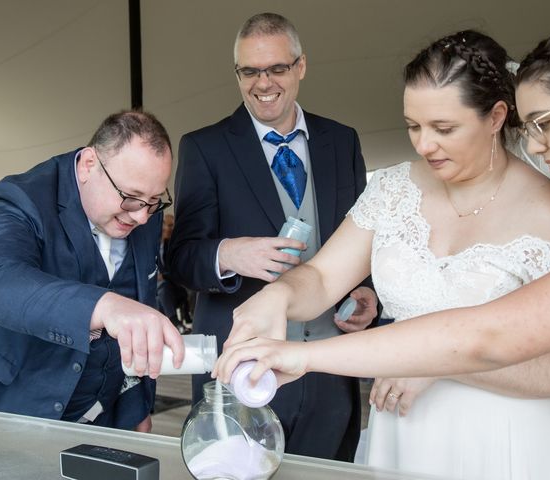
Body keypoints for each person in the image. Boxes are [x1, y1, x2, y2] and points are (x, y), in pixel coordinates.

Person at [215, 29, 550, 480]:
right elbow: (323, 279)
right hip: (404, 433)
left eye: (444, 129)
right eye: (413, 126)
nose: (424, 145)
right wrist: (279, 297)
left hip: (509, 440)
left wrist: (436, 367)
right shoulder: (393, 189)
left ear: (497, 116)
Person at [167, 12, 378, 461]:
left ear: (300, 67)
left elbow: (367, 242)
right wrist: (228, 254)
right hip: (243, 370)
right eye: (250, 71)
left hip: (330, 366)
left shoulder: (342, 141)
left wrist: (367, 293)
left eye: (277, 68)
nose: (263, 83)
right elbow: (181, 257)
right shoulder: (204, 147)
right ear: (238, 73)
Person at [0, 110, 185, 432]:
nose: (141, 217)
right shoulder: (19, 197)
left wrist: (136, 406)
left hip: (103, 417)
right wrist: (104, 306)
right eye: (131, 197)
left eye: (154, 201)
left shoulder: (143, 211)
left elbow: (142, 301)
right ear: (89, 165)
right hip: (5, 408)